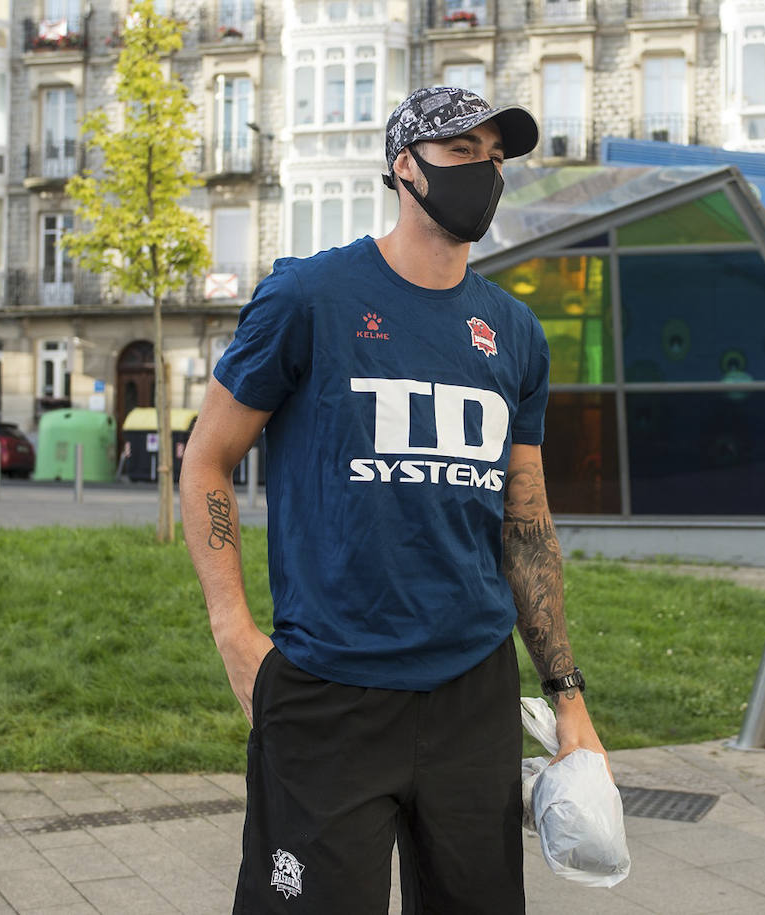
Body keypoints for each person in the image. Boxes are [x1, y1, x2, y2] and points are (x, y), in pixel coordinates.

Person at [181, 86, 608, 914]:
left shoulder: (513, 333)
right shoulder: (309, 298)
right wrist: (234, 632)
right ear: (403, 167)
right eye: (460, 154)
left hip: (473, 694)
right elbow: (206, 460)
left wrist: (568, 695)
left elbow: (526, 525)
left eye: (495, 158)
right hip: (328, 686)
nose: (482, 173)